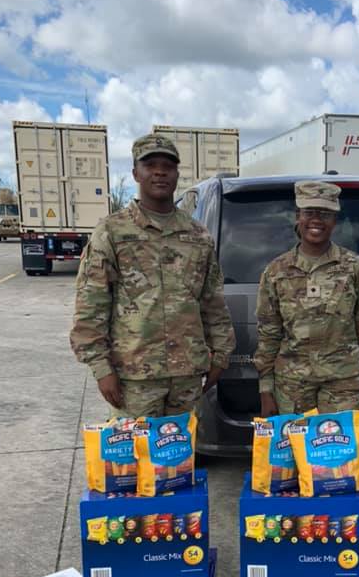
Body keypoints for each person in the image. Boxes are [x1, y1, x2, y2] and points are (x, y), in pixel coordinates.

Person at [70, 133, 235, 417]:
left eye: (168, 166)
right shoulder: (112, 232)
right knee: (134, 446)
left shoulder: (198, 236)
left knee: (184, 446)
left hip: (187, 375)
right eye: (150, 165)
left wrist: (220, 354)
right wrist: (101, 368)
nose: (160, 172)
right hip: (134, 377)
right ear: (136, 173)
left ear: (177, 174)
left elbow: (212, 301)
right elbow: (91, 304)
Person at [254, 180, 359, 422]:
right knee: (293, 446)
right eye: (309, 212)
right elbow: (269, 334)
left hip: (343, 384)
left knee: (337, 446)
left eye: (325, 214)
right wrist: (266, 390)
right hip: (292, 385)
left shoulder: (355, 267)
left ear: (335, 220)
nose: (317, 220)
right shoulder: (276, 271)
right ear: (297, 216)